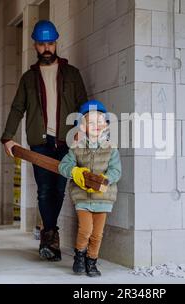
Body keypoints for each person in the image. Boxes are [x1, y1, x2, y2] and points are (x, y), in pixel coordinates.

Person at [0, 20, 88, 261]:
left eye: (50, 43)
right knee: (43, 190)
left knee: (59, 189)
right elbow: (18, 108)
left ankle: (48, 234)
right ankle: (50, 234)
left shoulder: (72, 74)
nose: (47, 48)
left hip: (65, 141)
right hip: (40, 141)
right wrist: (8, 138)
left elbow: (84, 105)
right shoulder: (28, 78)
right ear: (35, 46)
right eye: (42, 44)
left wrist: (82, 127)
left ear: (56, 43)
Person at [58, 100, 122, 277]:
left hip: (103, 198)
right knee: (85, 230)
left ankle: (91, 261)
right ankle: (79, 256)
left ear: (106, 125)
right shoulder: (76, 148)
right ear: (83, 126)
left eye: (100, 121)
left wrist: (105, 180)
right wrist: (74, 171)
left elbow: (116, 170)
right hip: (83, 198)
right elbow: (63, 166)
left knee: (97, 234)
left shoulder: (111, 149)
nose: (96, 126)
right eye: (91, 122)